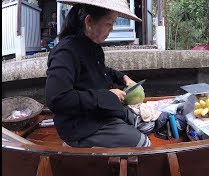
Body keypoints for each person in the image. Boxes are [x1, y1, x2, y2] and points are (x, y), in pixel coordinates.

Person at [45, 0, 150, 148]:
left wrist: (122, 77)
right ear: (89, 21)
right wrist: (107, 96)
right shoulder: (66, 52)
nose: (112, 29)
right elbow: (57, 98)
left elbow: (101, 70)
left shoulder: (93, 47)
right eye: (109, 23)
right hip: (81, 126)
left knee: (146, 125)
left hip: (98, 113)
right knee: (144, 144)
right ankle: (75, 146)